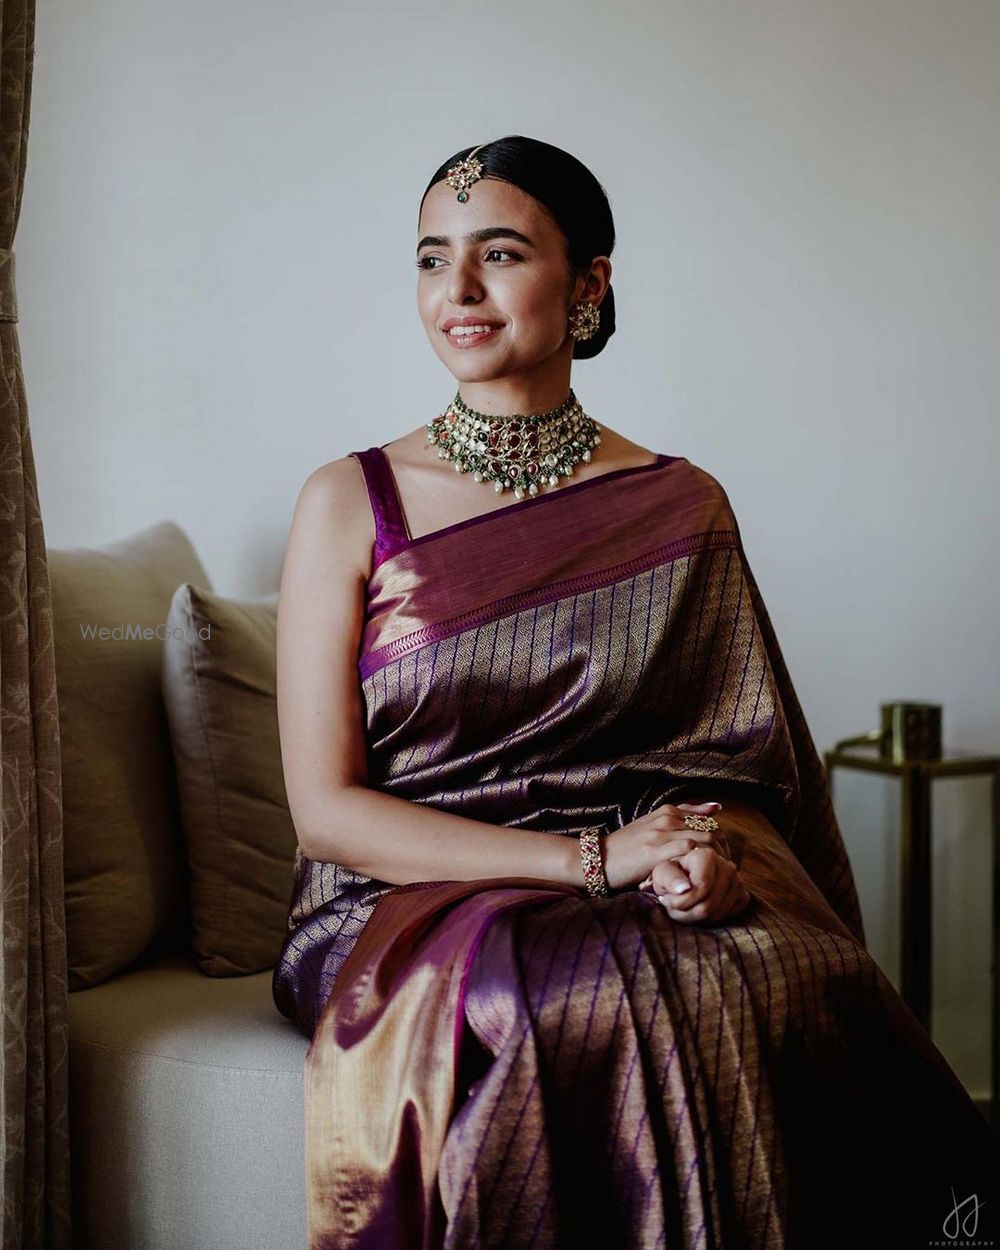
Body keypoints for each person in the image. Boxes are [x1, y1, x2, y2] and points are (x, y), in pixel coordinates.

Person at [272, 135, 1000, 1249]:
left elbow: (729, 766)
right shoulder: (347, 500)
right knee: (574, 999)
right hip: (404, 891)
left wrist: (708, 852)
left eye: (499, 252)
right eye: (430, 258)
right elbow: (326, 813)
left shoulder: (678, 503)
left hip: (630, 862)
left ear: (590, 283)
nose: (455, 292)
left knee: (785, 967)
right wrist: (587, 862)